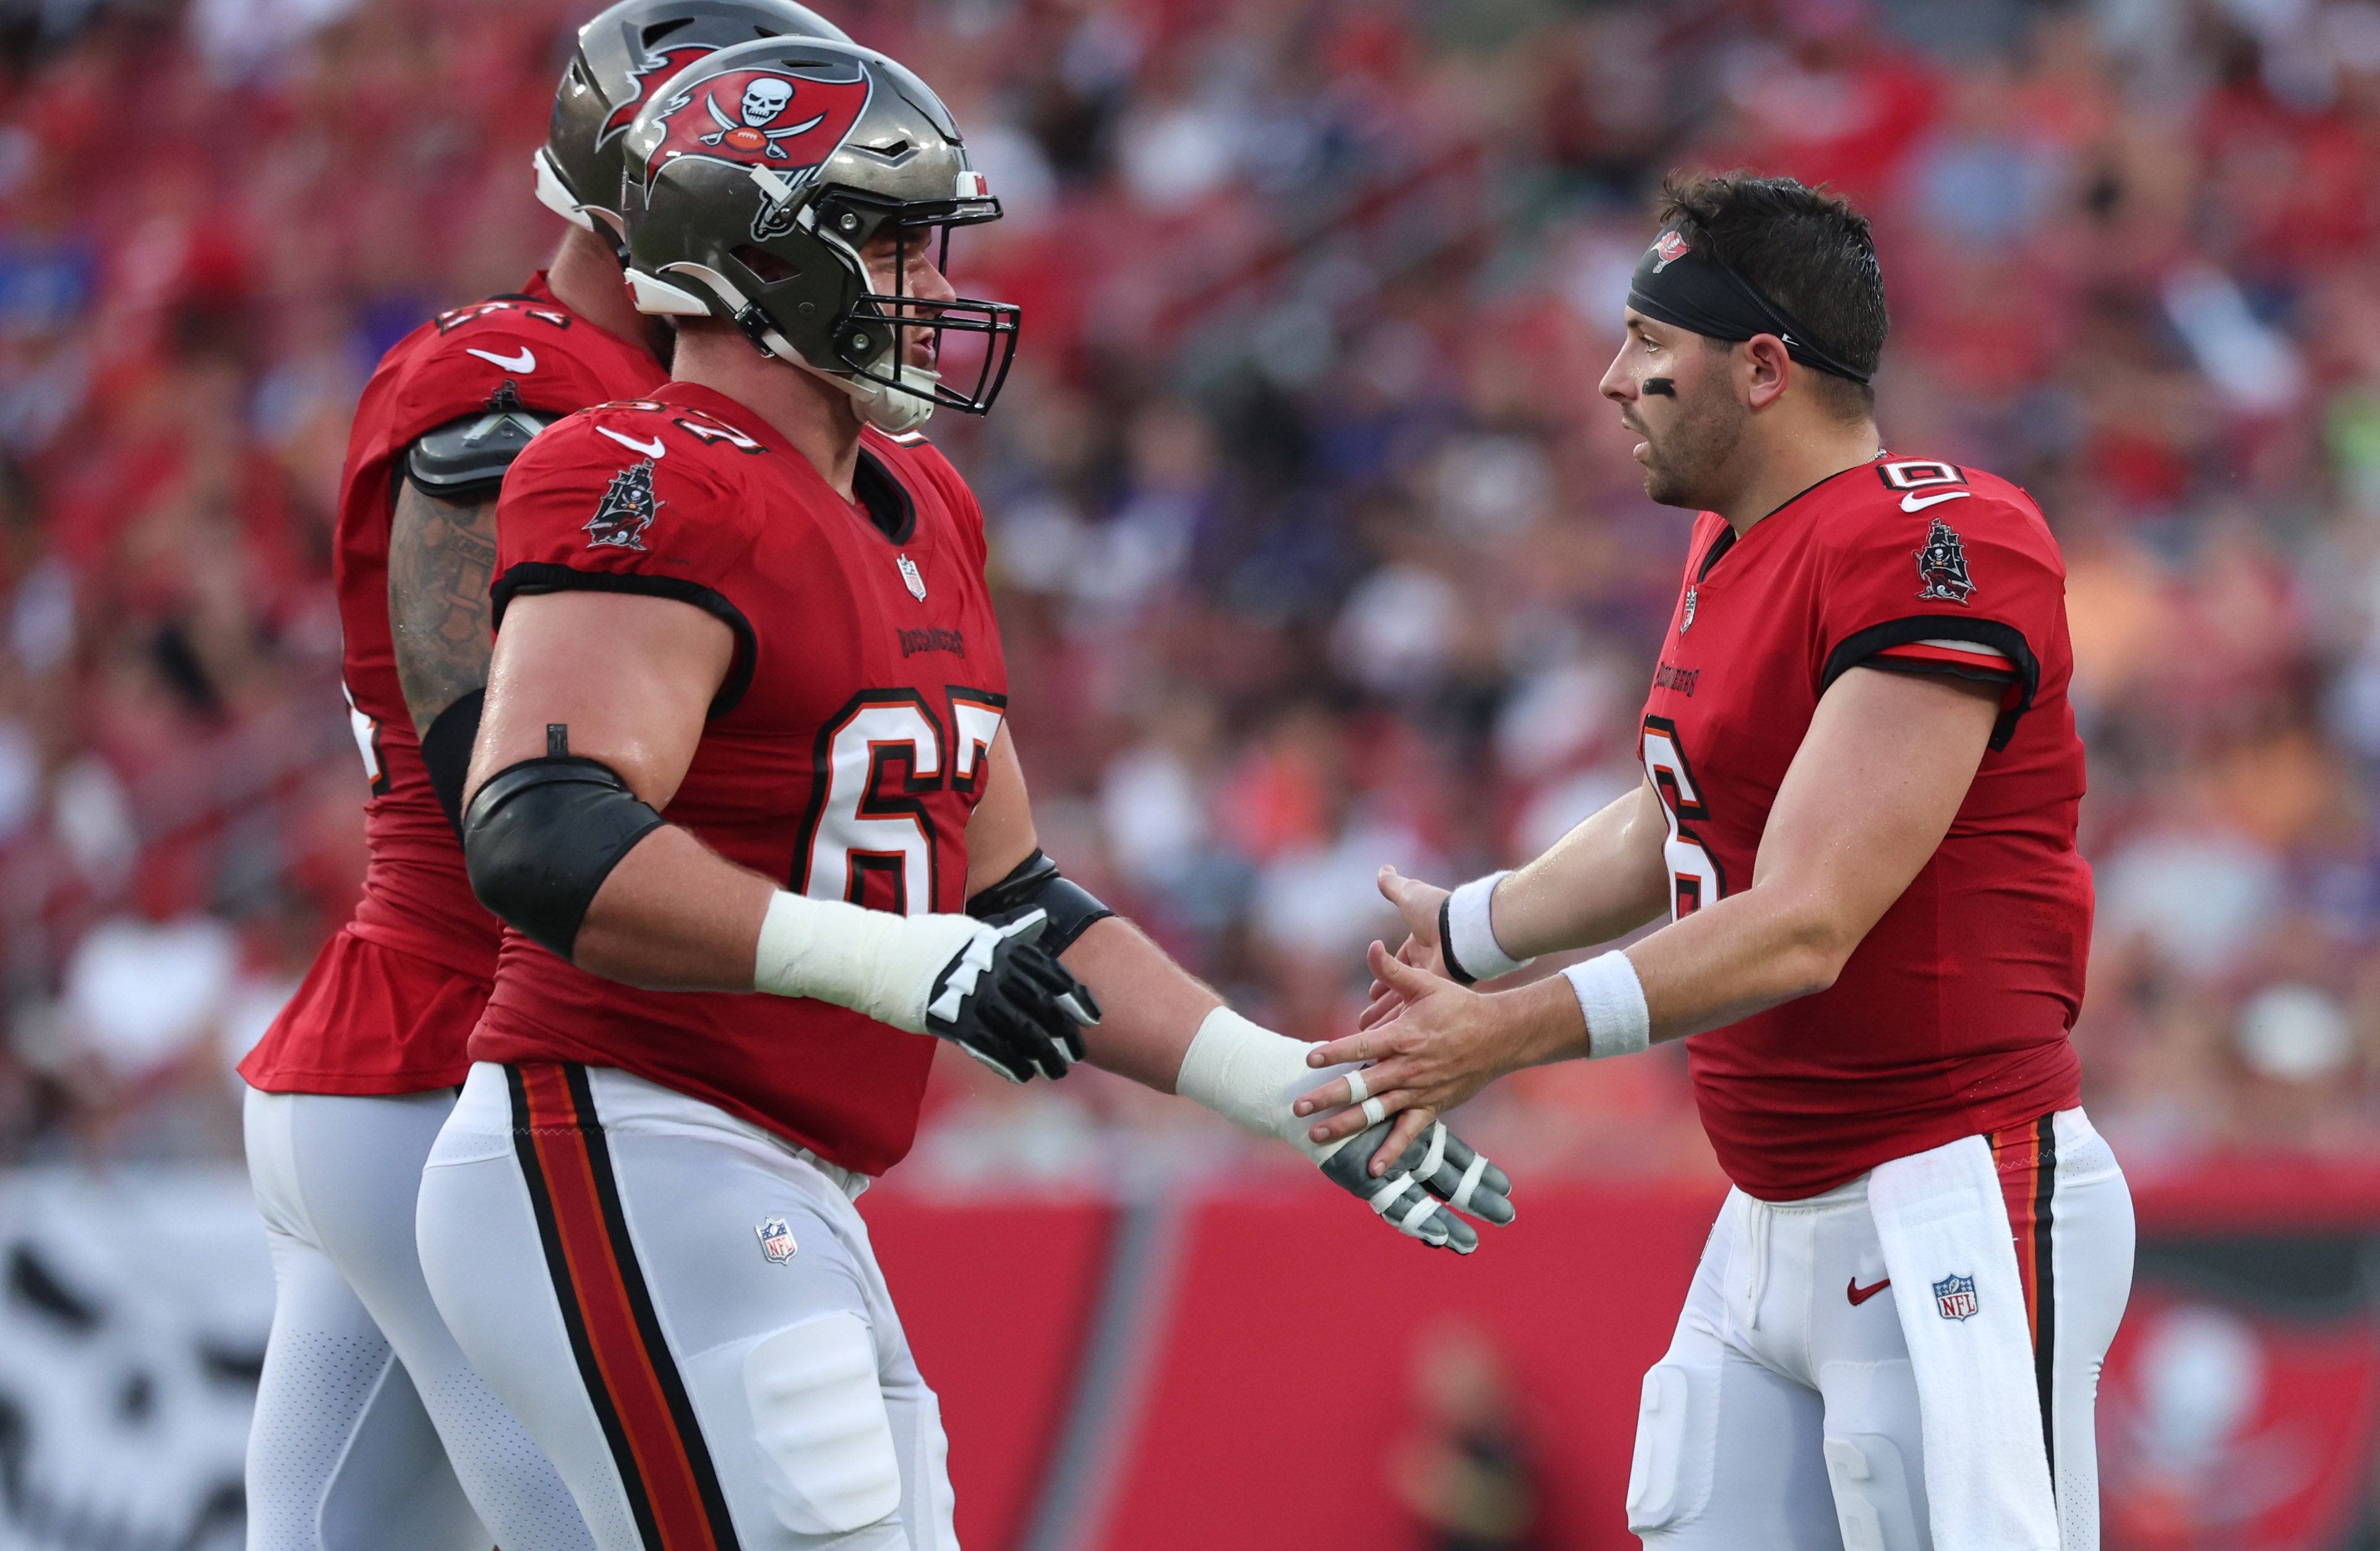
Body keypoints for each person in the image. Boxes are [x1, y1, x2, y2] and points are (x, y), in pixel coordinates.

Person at [410, 35, 1517, 1551]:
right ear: (758, 260)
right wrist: (899, 961)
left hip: (784, 1173)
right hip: (625, 1134)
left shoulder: (920, 499)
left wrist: (1289, 1086)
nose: (930, 286)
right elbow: (542, 833)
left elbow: (1011, 903)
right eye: (886, 241)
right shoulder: (657, 471)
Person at [1293, 174, 2133, 1551]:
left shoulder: (1938, 543)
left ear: (1759, 369)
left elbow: (1805, 922)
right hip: (1768, 1211)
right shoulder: (1733, 541)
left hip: (1947, 1195)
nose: (1612, 380)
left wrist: (1507, 1034)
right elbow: (1674, 812)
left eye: (1646, 345)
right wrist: (1469, 931)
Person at [233, 6, 851, 1547]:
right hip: (465, 1052)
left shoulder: (699, 415)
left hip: (421, 1069)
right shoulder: (516, 385)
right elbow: (508, 794)